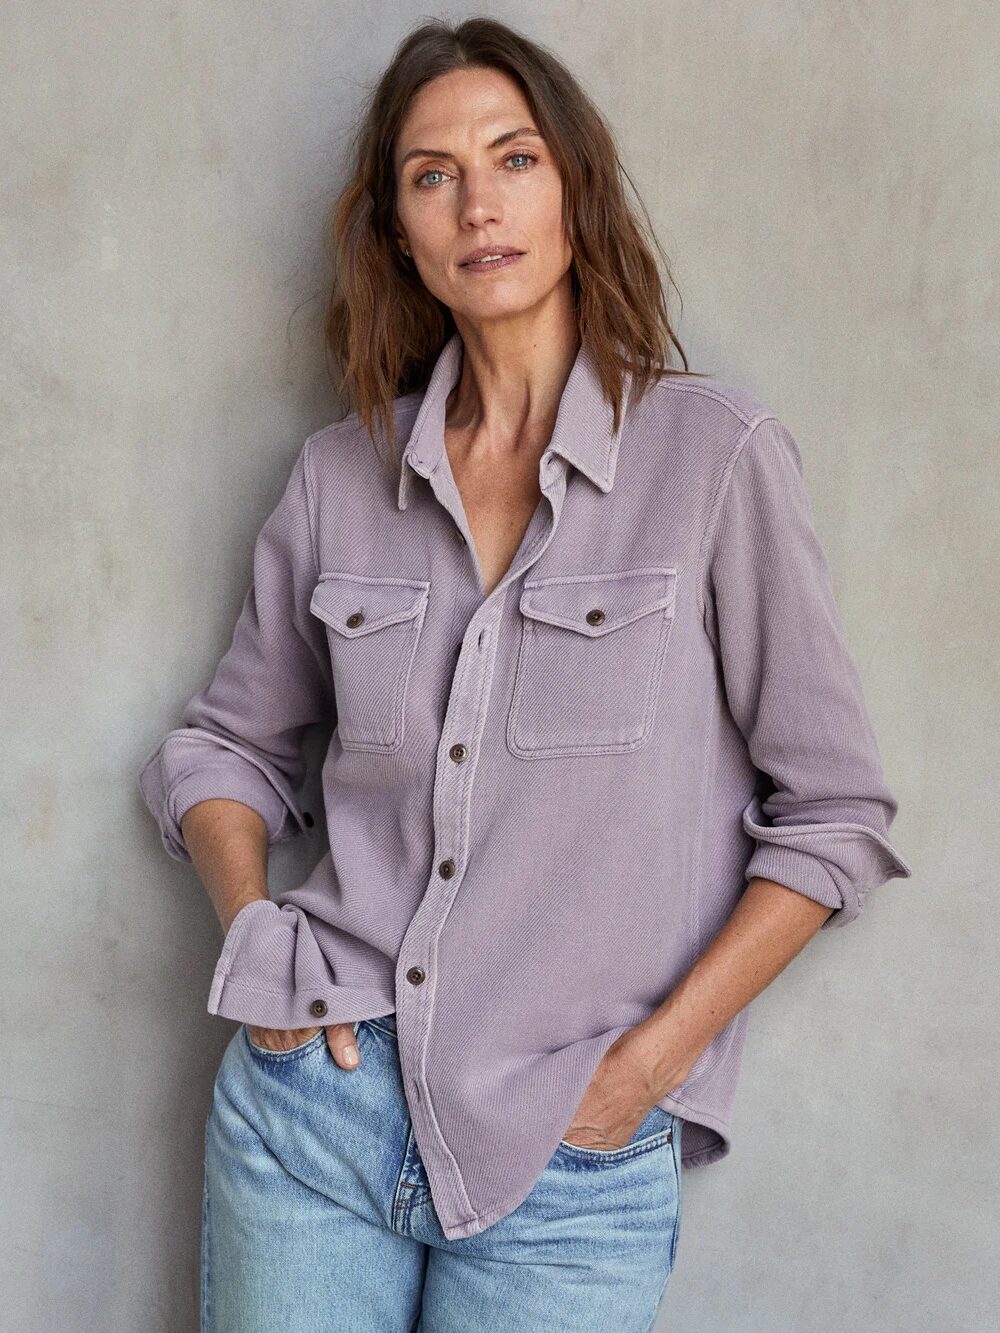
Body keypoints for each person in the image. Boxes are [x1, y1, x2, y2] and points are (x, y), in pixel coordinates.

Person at [137, 16, 913, 1332]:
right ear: (396, 229)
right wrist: (256, 931)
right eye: (433, 174)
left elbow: (834, 815)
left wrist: (647, 1071)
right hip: (310, 1113)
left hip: (570, 1149)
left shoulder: (713, 460)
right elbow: (226, 748)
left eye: (516, 157)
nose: (478, 203)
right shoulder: (340, 477)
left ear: (576, 193)